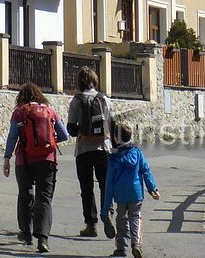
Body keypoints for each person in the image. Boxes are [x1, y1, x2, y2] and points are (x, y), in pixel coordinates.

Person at [2, 82, 69, 254]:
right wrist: (47, 142)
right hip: (48, 160)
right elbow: (64, 135)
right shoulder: (50, 111)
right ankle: (43, 239)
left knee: (25, 195)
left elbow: (12, 137)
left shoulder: (19, 112)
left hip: (24, 160)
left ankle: (26, 233)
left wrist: (7, 158)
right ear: (39, 96)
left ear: (21, 97)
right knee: (44, 198)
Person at [66, 65, 115, 238]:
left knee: (86, 188)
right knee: (105, 185)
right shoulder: (105, 100)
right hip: (104, 148)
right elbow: (113, 124)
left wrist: (82, 129)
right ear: (94, 81)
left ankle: (91, 225)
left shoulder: (76, 101)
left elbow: (71, 129)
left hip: (83, 150)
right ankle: (107, 212)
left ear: (79, 82)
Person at [101, 123, 160, 258]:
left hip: (120, 195)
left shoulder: (113, 158)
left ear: (116, 138)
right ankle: (136, 244)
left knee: (121, 219)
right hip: (136, 192)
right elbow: (146, 171)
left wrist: (105, 209)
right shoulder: (137, 153)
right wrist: (152, 188)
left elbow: (109, 183)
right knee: (136, 217)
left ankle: (121, 248)